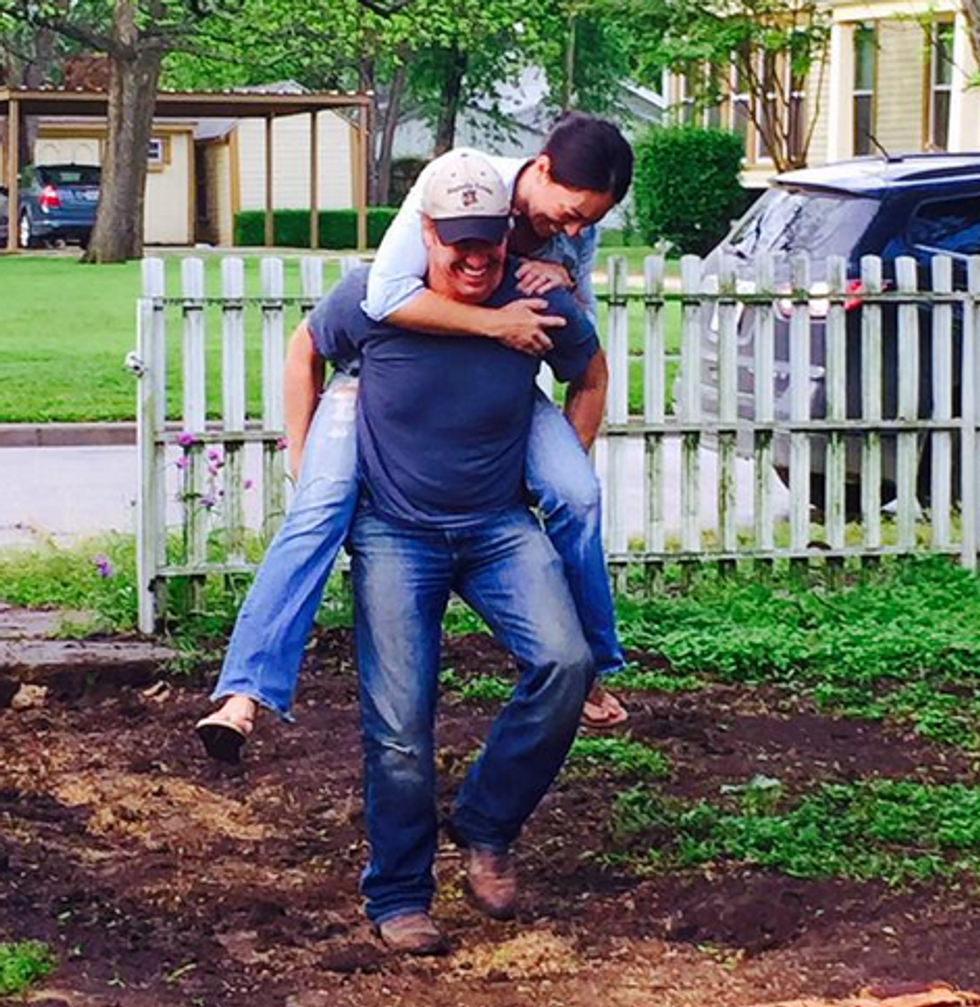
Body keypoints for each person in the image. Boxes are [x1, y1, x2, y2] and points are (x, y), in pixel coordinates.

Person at [195, 115, 633, 762]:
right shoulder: (452, 187)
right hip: (370, 378)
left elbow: (582, 341)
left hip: (505, 377)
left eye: (585, 223)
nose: (572, 231)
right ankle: (244, 692)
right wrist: (301, 452)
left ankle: (591, 665)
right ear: (538, 171)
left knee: (577, 491)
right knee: (318, 507)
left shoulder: (571, 231)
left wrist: (562, 283)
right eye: (568, 215)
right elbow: (382, 298)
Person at [318, 151, 601, 952]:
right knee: (400, 724)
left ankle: (486, 822)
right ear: (428, 234)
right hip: (395, 532)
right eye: (459, 242)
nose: (477, 258)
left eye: (490, 242)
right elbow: (307, 348)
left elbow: (589, 373)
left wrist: (559, 465)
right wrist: (305, 458)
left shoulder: (538, 297)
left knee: (566, 663)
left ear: (508, 237)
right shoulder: (373, 297)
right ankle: (399, 893)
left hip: (497, 528)